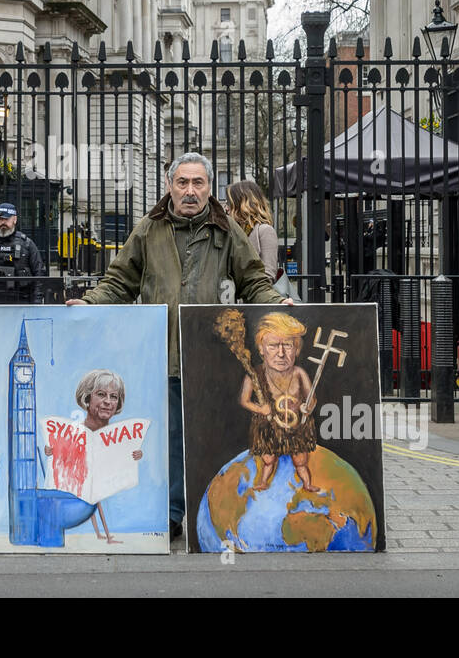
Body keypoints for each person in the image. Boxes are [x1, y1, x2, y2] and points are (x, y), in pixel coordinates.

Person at [67, 152, 292, 537]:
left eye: (198, 183)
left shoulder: (227, 231)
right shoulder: (149, 230)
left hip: (214, 356)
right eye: (182, 182)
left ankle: (219, 512)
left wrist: (276, 303)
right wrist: (89, 302)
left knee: (216, 436)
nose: (190, 191)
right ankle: (172, 515)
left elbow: (254, 280)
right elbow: (120, 281)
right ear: (170, 186)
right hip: (164, 354)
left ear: (209, 188)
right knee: (170, 440)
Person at [43, 369, 143, 544]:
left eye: (114, 396)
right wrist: (51, 451)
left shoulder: (115, 434)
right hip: (75, 488)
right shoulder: (75, 431)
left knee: (96, 496)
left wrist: (135, 455)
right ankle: (100, 533)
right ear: (87, 398)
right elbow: (57, 448)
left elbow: (123, 456)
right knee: (91, 496)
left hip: (98, 478)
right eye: (101, 394)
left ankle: (102, 534)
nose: (108, 402)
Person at [238, 312, 320, 493]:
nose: (281, 353)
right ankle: (263, 481)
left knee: (301, 460)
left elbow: (311, 398)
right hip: (269, 426)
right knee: (268, 459)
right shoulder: (254, 375)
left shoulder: (298, 373)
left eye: (288, 346)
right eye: (274, 346)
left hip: (296, 426)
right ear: (261, 348)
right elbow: (244, 400)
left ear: (296, 349)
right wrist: (260, 409)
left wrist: (307, 408)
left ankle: (307, 484)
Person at [226, 180, 281, 282]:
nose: (227, 208)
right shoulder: (233, 231)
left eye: (229, 203)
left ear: (241, 204)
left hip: (252, 296)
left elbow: (268, 275)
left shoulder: (265, 231)